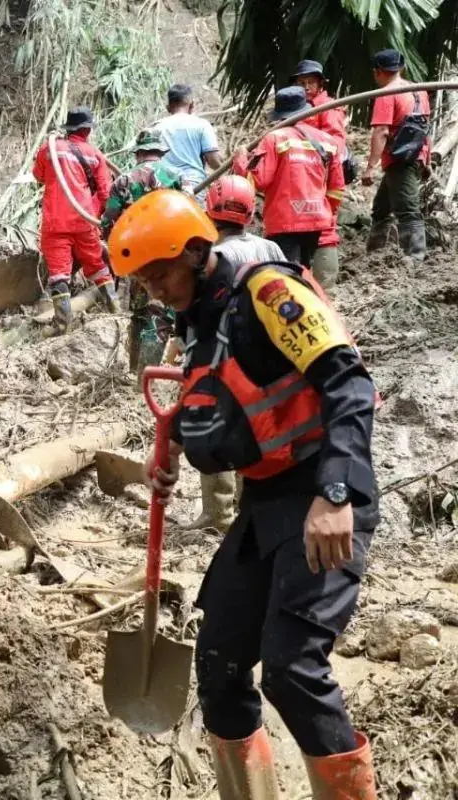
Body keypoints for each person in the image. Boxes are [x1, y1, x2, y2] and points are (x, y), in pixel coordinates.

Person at [109, 189, 378, 800]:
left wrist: (337, 494)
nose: (154, 289)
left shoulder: (269, 292)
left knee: (293, 671)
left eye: (160, 274)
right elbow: (225, 398)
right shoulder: (203, 316)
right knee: (219, 666)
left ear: (198, 251)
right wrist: (174, 446)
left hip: (319, 493)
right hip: (262, 506)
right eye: (143, 281)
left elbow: (350, 386)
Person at [174, 175, 287, 533]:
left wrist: (181, 344)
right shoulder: (269, 248)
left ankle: (217, 514)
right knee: (255, 430)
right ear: (249, 212)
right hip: (261, 358)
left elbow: (192, 309)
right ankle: (247, 509)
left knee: (214, 427)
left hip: (218, 357)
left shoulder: (213, 256)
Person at [102, 129, 184, 373]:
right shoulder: (177, 177)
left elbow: (107, 223)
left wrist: (115, 250)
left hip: (136, 257)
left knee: (139, 312)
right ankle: (143, 379)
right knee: (158, 314)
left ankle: (134, 371)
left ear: (138, 154)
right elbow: (188, 212)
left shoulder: (124, 181)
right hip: (170, 255)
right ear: (160, 152)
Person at [232, 86, 343, 266]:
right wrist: (325, 211)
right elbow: (337, 188)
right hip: (316, 221)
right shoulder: (328, 141)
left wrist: (240, 160)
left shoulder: (274, 138)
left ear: (280, 114)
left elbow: (258, 181)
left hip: (284, 221)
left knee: (285, 273)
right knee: (304, 270)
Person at [31, 107, 117, 334]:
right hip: (85, 220)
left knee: (59, 272)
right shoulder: (95, 154)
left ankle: (63, 324)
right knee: (97, 266)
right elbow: (107, 194)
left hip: (55, 221)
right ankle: (115, 309)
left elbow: (38, 176)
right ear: (87, 129)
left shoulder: (49, 149)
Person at [364, 48, 431, 259]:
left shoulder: (386, 94)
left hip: (400, 160)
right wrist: (426, 161)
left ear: (378, 72)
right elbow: (425, 127)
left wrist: (370, 167)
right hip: (414, 156)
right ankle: (375, 254)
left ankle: (415, 258)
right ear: (401, 68)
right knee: (381, 208)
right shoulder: (419, 90)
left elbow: (381, 131)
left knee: (408, 210)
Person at [293, 59, 350, 288]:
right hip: (299, 174)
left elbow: (336, 142)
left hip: (321, 173)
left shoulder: (327, 106)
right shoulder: (294, 108)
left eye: (310, 83)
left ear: (320, 84)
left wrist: (316, 155)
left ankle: (324, 283)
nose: (306, 87)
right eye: (301, 83)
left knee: (324, 219)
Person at [154, 83, 224, 198]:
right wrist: (226, 171)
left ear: (168, 107)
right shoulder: (202, 125)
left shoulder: (156, 128)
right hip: (194, 189)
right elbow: (213, 160)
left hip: (164, 190)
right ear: (191, 105)